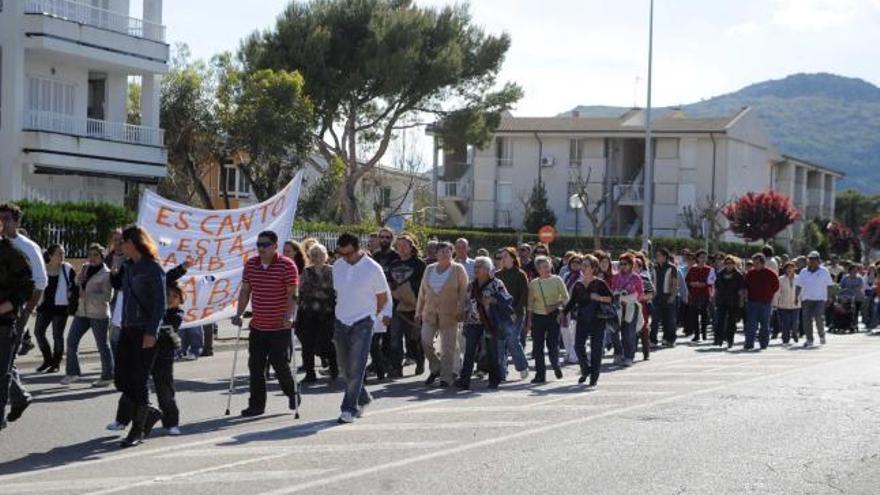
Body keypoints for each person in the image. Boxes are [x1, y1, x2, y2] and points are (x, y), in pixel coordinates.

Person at [231, 231, 300, 418]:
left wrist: (289, 315)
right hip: (258, 325)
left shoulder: (287, 265)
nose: (261, 248)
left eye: (265, 244)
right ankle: (256, 405)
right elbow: (245, 291)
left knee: (280, 364)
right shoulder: (251, 264)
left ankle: (292, 392)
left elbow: (292, 293)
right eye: (258, 245)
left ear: (275, 246)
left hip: (280, 326)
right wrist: (239, 313)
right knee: (255, 366)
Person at [115, 226, 166, 448]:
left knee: (139, 379)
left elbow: (160, 304)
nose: (119, 246)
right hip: (127, 328)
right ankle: (149, 411)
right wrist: (117, 262)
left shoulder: (153, 268)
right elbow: (114, 285)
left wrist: (151, 332)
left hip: (145, 330)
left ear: (132, 242)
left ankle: (137, 430)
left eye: (122, 242)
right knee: (121, 379)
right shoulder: (127, 267)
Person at [332, 233, 390, 423]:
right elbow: (339, 293)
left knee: (356, 367)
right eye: (341, 253)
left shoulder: (373, 268)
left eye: (348, 254)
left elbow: (382, 297)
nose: (344, 257)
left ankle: (348, 408)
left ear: (357, 249)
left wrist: (371, 316)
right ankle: (363, 397)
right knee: (344, 367)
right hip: (341, 320)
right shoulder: (338, 266)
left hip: (363, 322)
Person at [456, 257, 513, 390]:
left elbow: (507, 300)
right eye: (475, 266)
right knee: (469, 352)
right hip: (473, 322)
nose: (476, 269)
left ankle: (494, 379)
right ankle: (465, 380)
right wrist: (462, 314)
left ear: (488, 270)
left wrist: (493, 300)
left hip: (490, 322)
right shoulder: (471, 285)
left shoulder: (496, 283)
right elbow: (466, 302)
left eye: (480, 266)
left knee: (491, 351)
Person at [417, 242, 469, 387]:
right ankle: (436, 367)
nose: (444, 254)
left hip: (450, 314)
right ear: (436, 254)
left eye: (447, 251)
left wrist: (461, 310)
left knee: (448, 347)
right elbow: (422, 291)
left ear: (452, 253)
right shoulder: (429, 269)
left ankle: (446, 377)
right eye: (441, 251)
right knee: (425, 341)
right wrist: (418, 311)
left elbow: (464, 291)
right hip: (430, 312)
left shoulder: (458, 269)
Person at [63, 243, 114, 386]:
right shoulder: (85, 268)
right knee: (71, 341)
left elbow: (108, 297)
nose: (92, 258)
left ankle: (107, 376)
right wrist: (77, 280)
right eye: (90, 254)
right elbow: (76, 282)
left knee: (102, 346)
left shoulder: (106, 274)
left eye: (96, 255)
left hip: (99, 314)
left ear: (102, 257)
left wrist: (89, 295)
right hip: (82, 312)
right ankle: (73, 373)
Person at [0, 225, 35, 433]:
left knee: (1, 374)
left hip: (3, 324)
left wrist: (5, 307)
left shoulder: (13, 255)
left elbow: (27, 287)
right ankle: (20, 397)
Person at [563, 254, 613, 387]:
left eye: (586, 265)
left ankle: (594, 377)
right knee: (578, 347)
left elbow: (611, 299)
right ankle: (585, 370)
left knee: (596, 349)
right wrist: (563, 313)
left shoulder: (600, 283)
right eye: (582, 265)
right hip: (582, 319)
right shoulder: (578, 284)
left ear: (594, 268)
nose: (582, 268)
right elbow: (572, 301)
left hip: (598, 320)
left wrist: (598, 297)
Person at [297, 243, 337, 383]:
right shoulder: (306, 272)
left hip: (328, 313)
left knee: (327, 343)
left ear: (325, 256)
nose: (316, 257)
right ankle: (310, 373)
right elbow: (301, 291)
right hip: (309, 312)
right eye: (313, 255)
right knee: (307, 345)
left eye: (319, 254)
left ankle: (334, 369)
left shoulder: (332, 271)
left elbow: (337, 291)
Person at [32, 245, 75, 373]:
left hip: (61, 307)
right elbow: (36, 286)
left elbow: (75, 286)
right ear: (50, 256)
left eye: (63, 253)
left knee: (57, 335)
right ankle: (47, 360)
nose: (62, 256)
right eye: (58, 253)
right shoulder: (43, 269)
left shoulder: (67, 268)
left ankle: (56, 363)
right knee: (38, 332)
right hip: (44, 306)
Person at [388, 234, 426, 376]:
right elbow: (389, 283)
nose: (402, 248)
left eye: (405, 245)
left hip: (415, 307)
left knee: (414, 339)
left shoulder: (419, 264)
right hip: (397, 307)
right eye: (399, 245)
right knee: (395, 338)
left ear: (411, 247)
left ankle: (419, 360)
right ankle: (396, 368)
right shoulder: (393, 265)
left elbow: (424, 285)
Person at [526, 256, 568, 383]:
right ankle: (540, 374)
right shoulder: (533, 283)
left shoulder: (557, 280)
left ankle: (555, 365)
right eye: (543, 267)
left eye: (548, 266)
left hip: (553, 315)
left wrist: (555, 306)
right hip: (538, 317)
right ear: (538, 270)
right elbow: (530, 304)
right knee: (537, 346)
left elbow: (566, 298)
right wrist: (529, 320)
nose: (546, 269)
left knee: (552, 344)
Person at [494, 247, 529, 380]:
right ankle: (502, 373)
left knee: (513, 341)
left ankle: (522, 366)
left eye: (505, 256)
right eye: (501, 257)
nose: (502, 259)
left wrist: (515, 311)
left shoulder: (520, 274)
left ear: (513, 258)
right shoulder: (497, 275)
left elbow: (524, 295)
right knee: (500, 344)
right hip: (500, 315)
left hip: (516, 314)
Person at [370, 228, 400, 380]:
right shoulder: (374, 256)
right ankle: (378, 364)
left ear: (392, 239)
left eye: (387, 237)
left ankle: (389, 363)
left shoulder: (396, 256)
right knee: (375, 336)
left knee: (390, 336)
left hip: (393, 299)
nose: (384, 240)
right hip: (376, 299)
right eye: (382, 237)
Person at [611, 253, 645, 365]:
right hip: (618, 307)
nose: (622, 266)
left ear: (631, 265)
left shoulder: (636, 277)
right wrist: (618, 296)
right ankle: (618, 353)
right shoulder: (615, 276)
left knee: (628, 333)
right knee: (614, 331)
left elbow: (640, 294)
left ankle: (629, 356)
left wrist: (630, 298)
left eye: (625, 264)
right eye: (620, 264)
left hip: (631, 306)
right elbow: (612, 290)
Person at [796, 251, 835, 347]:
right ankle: (809, 339)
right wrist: (796, 297)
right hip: (806, 299)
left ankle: (822, 335)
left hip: (820, 299)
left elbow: (830, 285)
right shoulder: (803, 272)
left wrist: (830, 297)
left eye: (814, 259)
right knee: (806, 320)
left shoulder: (824, 271)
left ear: (818, 261)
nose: (812, 261)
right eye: (810, 259)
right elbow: (798, 286)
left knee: (818, 317)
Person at [743, 253, 780, 350]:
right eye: (754, 263)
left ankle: (763, 343)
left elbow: (776, 286)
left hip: (765, 303)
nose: (755, 265)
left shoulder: (770, 274)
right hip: (752, 302)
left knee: (765, 324)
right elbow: (745, 286)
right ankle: (749, 343)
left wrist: (768, 294)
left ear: (763, 263)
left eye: (757, 263)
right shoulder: (750, 274)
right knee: (751, 324)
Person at [714, 256, 746, 349]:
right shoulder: (720, 274)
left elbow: (741, 290)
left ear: (734, 264)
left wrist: (741, 302)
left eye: (731, 263)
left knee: (731, 322)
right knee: (720, 320)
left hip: (733, 301)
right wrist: (714, 298)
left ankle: (730, 340)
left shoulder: (738, 275)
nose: (729, 265)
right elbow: (716, 287)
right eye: (727, 263)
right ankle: (719, 339)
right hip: (721, 300)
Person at [651, 248, 679, 347]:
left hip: (668, 296)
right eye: (657, 255)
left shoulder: (672, 267)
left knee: (669, 320)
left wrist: (672, 296)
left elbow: (675, 283)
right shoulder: (654, 267)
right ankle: (653, 340)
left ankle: (669, 339)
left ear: (665, 256)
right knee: (654, 320)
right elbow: (652, 281)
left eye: (660, 255)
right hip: (656, 297)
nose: (658, 257)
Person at [685, 250, 713, 343]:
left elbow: (711, 282)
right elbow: (687, 281)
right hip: (694, 295)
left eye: (704, 257)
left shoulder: (709, 269)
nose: (703, 259)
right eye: (701, 257)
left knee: (704, 315)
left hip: (705, 294)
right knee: (694, 315)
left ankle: (704, 334)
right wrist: (692, 283)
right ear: (697, 258)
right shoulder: (693, 269)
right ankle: (696, 335)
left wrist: (703, 284)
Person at [560, 255, 583, 365]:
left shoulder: (582, 277)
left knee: (574, 332)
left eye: (578, 262)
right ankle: (568, 353)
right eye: (573, 262)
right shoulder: (566, 275)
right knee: (564, 331)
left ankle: (574, 355)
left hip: (576, 308)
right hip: (565, 307)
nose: (575, 264)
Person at [774, 261, 801, 345]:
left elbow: (802, 290)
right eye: (787, 268)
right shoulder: (781, 279)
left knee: (795, 322)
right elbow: (777, 292)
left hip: (796, 304)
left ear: (794, 269)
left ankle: (795, 334)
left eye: (791, 268)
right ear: (785, 269)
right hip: (784, 304)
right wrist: (775, 303)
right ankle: (785, 338)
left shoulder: (799, 278)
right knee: (785, 323)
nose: (789, 270)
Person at [839, 264, 866, 331]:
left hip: (857, 297)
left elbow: (861, 286)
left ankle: (855, 324)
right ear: (850, 271)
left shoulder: (859, 278)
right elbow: (841, 286)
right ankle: (846, 324)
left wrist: (856, 288)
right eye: (853, 270)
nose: (855, 271)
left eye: (856, 270)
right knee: (846, 310)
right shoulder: (845, 278)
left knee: (856, 311)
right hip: (847, 297)